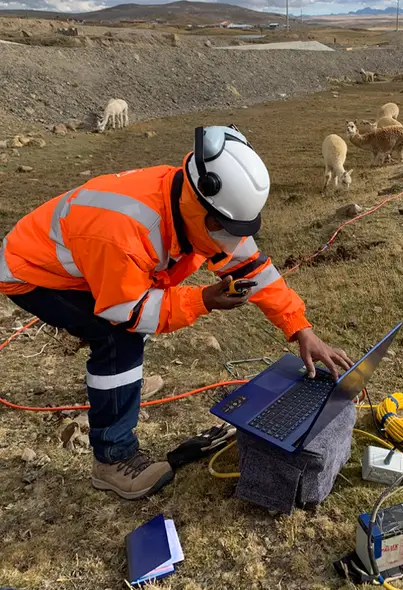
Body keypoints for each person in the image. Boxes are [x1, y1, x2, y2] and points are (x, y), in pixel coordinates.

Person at [0, 125, 353, 501]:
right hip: (32, 273)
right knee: (118, 338)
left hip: (90, 262)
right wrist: (203, 300)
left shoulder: (200, 204)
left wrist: (301, 329)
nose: (233, 242)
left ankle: (113, 392)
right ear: (205, 214)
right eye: (227, 230)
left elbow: (254, 270)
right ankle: (112, 460)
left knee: (121, 335)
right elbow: (130, 311)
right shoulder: (128, 230)